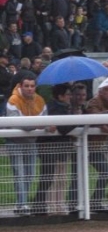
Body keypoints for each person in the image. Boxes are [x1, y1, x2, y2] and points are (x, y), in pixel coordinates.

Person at [6, 72, 47, 215]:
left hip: (31, 142)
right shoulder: (13, 100)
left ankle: (23, 204)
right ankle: (21, 204)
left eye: (32, 86)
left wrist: (36, 125)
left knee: (30, 175)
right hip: (15, 142)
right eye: (27, 86)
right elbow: (16, 123)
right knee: (20, 174)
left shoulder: (40, 100)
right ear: (21, 86)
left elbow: (45, 119)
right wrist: (37, 125)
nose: (30, 88)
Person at [32, 84, 75, 215]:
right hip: (49, 148)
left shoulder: (62, 107)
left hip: (59, 148)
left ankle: (52, 205)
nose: (70, 97)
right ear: (60, 96)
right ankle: (41, 206)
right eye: (68, 94)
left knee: (58, 178)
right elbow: (63, 129)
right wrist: (77, 120)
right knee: (49, 178)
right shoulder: (54, 108)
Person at [84, 84, 108, 212]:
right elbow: (95, 117)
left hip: (98, 147)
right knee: (78, 176)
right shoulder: (94, 102)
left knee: (106, 173)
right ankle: (81, 204)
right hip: (85, 145)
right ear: (100, 92)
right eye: (107, 90)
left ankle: (95, 202)